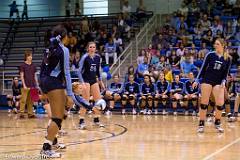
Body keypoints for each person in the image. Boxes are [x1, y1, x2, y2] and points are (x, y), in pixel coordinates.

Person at [39, 25, 74, 158]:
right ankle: (46, 147)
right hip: (53, 82)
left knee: (64, 109)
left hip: (44, 80)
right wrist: (70, 94)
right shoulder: (63, 50)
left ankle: (53, 140)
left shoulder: (49, 47)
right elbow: (66, 72)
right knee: (57, 118)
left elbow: (43, 68)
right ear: (64, 37)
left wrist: (43, 85)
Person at [193, 38, 232, 133]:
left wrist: (223, 81)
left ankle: (217, 123)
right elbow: (202, 68)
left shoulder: (228, 58)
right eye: (215, 44)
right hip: (207, 80)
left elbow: (226, 73)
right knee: (204, 103)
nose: (215, 45)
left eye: (217, 44)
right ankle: (201, 124)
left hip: (218, 82)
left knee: (220, 104)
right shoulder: (210, 55)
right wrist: (197, 80)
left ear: (223, 45)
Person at [78, 41, 106, 129]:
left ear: (96, 48)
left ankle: (96, 119)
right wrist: (82, 82)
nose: (92, 49)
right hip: (85, 80)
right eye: (90, 47)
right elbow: (78, 71)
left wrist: (101, 82)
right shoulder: (84, 57)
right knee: (85, 101)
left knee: (98, 100)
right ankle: (81, 121)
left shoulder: (98, 58)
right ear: (88, 48)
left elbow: (98, 71)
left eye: (93, 47)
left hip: (94, 80)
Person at [19, 49, 38, 119]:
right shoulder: (22, 65)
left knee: (31, 101)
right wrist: (24, 85)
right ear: (26, 57)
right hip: (25, 85)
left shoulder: (33, 65)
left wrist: (36, 84)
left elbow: (35, 75)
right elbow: (21, 76)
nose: (30, 57)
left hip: (32, 85)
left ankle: (30, 114)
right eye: (29, 56)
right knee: (23, 100)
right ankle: (21, 113)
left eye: (31, 56)